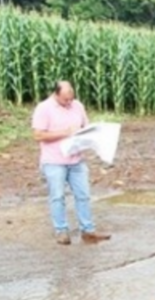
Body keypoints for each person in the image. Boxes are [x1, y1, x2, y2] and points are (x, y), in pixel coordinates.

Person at [31, 81, 111, 245]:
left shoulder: (77, 106)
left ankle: (88, 230)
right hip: (54, 160)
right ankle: (61, 231)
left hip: (76, 158)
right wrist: (65, 133)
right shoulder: (44, 108)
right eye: (65, 100)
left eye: (71, 99)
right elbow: (38, 135)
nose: (69, 102)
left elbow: (85, 127)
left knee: (83, 195)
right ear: (55, 94)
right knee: (57, 196)